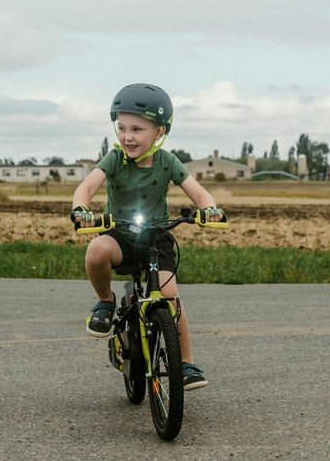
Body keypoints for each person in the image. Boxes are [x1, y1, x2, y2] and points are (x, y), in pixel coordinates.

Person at [70, 83, 224, 390]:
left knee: (170, 298)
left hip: (156, 238)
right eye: (122, 128)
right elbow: (86, 187)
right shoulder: (115, 159)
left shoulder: (167, 161)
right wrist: (80, 209)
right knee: (96, 250)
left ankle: (185, 364)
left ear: (159, 131)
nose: (127, 136)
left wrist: (210, 209)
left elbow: (197, 191)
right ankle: (105, 302)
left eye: (137, 129)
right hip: (121, 236)